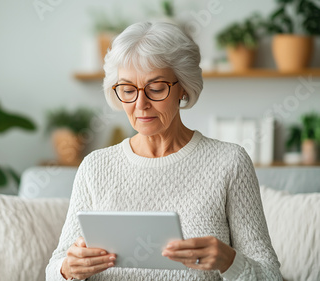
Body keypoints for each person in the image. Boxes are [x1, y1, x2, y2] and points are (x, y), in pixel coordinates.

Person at [45, 21, 281, 280]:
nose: (140, 104)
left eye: (156, 89)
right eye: (127, 90)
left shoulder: (229, 162)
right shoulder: (95, 167)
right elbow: (56, 268)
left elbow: (268, 274)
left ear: (183, 87)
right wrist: (68, 270)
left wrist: (229, 262)